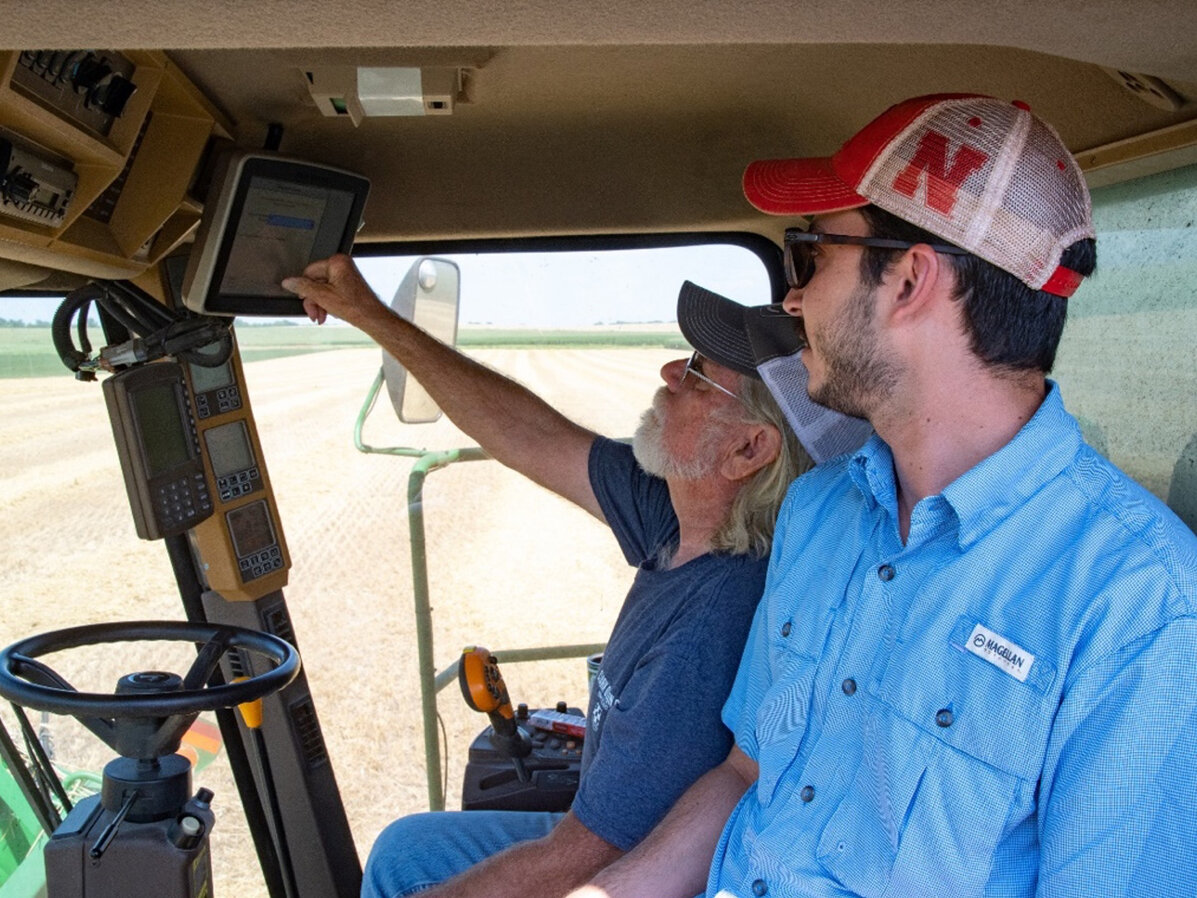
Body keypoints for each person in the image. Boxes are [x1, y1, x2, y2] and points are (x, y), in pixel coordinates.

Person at [569, 93, 1197, 898]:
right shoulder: (819, 511)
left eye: (809, 258)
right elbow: (744, 772)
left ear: (907, 280)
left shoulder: (1142, 606)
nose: (793, 302)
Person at [281, 255, 824, 898]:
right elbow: (527, 432)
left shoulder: (713, 622)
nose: (670, 372)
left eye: (700, 374)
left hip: (626, 861)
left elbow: (584, 861)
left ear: (748, 451)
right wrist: (372, 315)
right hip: (594, 833)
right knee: (406, 850)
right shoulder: (676, 516)